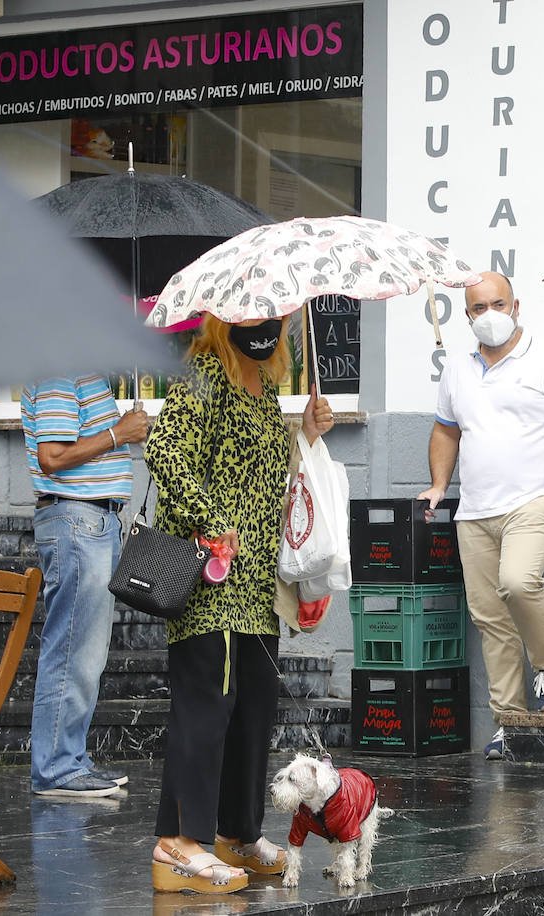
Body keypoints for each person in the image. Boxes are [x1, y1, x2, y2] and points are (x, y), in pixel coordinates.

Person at [145, 314, 333, 894]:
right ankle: (178, 844)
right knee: (205, 710)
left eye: (272, 318)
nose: (265, 326)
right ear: (226, 321)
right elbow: (164, 452)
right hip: (209, 585)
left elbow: (267, 484)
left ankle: (237, 833)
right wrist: (212, 523)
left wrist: (305, 433)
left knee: (252, 713)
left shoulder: (265, 388)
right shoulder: (204, 373)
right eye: (252, 318)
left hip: (254, 590)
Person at [417, 271, 544, 762]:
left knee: (518, 582)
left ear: (516, 307)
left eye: (498, 303)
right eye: (478, 308)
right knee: (490, 620)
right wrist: (438, 485)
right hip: (474, 512)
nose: (489, 314)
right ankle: (510, 723)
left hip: (533, 504)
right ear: (467, 314)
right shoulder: (457, 368)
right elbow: (445, 431)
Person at [22, 375, 149, 798]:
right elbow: (52, 457)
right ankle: (58, 768)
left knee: (84, 652)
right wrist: (120, 433)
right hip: (78, 522)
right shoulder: (62, 365)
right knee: (74, 649)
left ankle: (68, 759)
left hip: (92, 522)